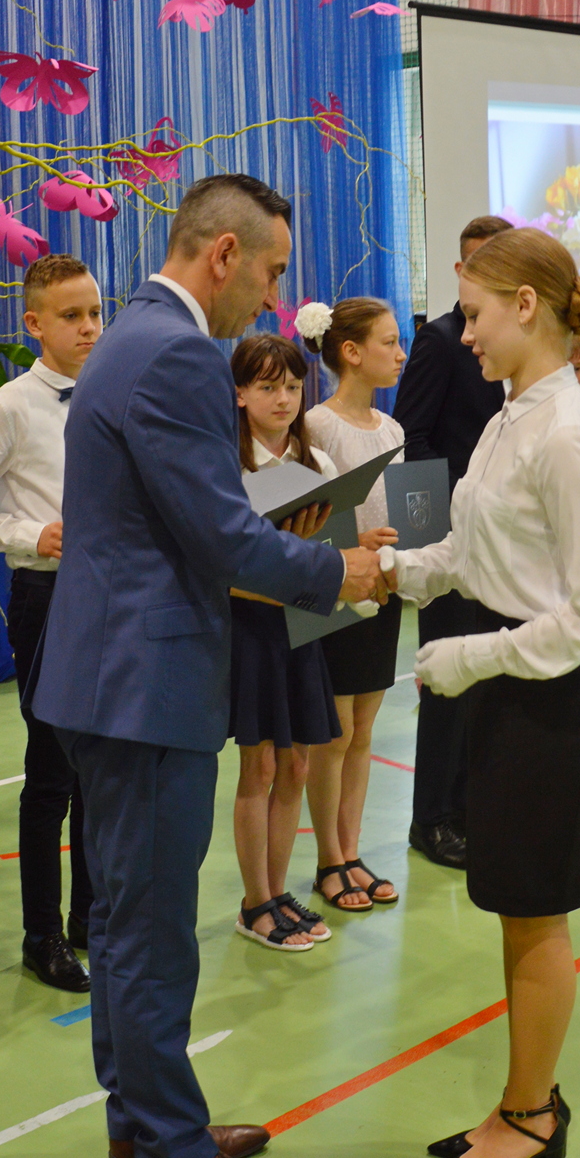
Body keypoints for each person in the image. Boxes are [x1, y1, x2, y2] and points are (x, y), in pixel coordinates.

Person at [30, 174, 387, 1158]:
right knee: (149, 926)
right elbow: (223, 534)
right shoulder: (179, 353)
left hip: (109, 674)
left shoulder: (130, 337)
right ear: (223, 254)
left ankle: (141, 1117)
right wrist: (338, 571)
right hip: (145, 682)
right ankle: (173, 1152)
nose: (273, 299)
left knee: (124, 914)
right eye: (270, 272)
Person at [392, 229, 580, 1158]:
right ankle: (521, 1101)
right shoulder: (508, 416)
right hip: (510, 690)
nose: (465, 336)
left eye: (476, 315)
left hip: (549, 701)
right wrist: (390, 571)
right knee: (512, 909)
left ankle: (532, 1118)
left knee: (535, 919)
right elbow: (473, 552)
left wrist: (476, 656)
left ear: (525, 307)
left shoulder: (564, 431)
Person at [0, 253, 101, 996]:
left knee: (100, 769)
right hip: (49, 597)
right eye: (71, 316)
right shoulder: (9, 406)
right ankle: (41, 934)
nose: (89, 328)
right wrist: (28, 533)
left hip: (112, 595)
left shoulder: (114, 393)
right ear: (35, 323)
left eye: (96, 313)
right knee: (51, 773)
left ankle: (91, 917)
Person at [393, 214, 510, 870]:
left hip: (499, 540)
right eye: (478, 262)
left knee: (484, 680)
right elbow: (410, 437)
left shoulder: (513, 341)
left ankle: (468, 809)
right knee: (444, 684)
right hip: (449, 539)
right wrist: (432, 536)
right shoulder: (440, 340)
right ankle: (430, 819)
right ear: (460, 269)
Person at [229, 333, 340, 953]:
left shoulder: (315, 463)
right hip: (251, 627)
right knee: (261, 764)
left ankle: (277, 892)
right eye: (267, 386)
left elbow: (331, 546)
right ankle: (255, 903)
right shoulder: (229, 466)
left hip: (302, 624)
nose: (283, 399)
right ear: (240, 394)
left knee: (298, 763)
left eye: (293, 386)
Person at [303, 300, 406, 914]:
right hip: (337, 591)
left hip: (382, 592)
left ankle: (351, 850)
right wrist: (351, 548)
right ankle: (328, 860)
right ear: (351, 352)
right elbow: (305, 520)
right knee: (335, 735)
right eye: (389, 342)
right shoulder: (317, 426)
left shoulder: (392, 430)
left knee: (364, 730)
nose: (399, 354)